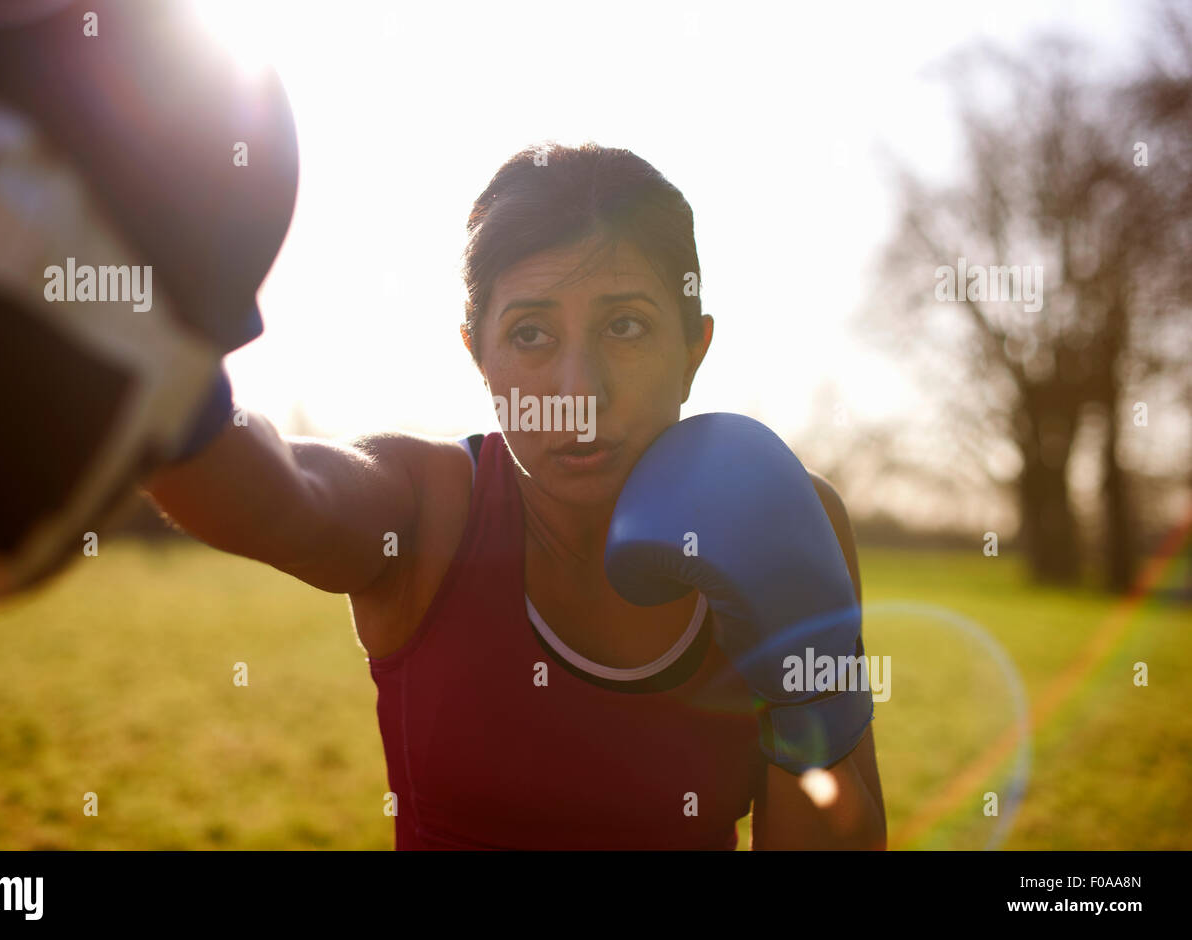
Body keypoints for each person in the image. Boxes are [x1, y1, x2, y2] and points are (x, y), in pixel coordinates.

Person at [146, 142, 886, 849]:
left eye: (625, 326)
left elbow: (842, 831)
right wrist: (135, 337)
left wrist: (808, 710)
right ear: (479, 356)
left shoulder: (789, 519)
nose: (578, 393)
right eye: (531, 335)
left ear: (694, 349)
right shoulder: (430, 508)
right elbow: (278, 494)